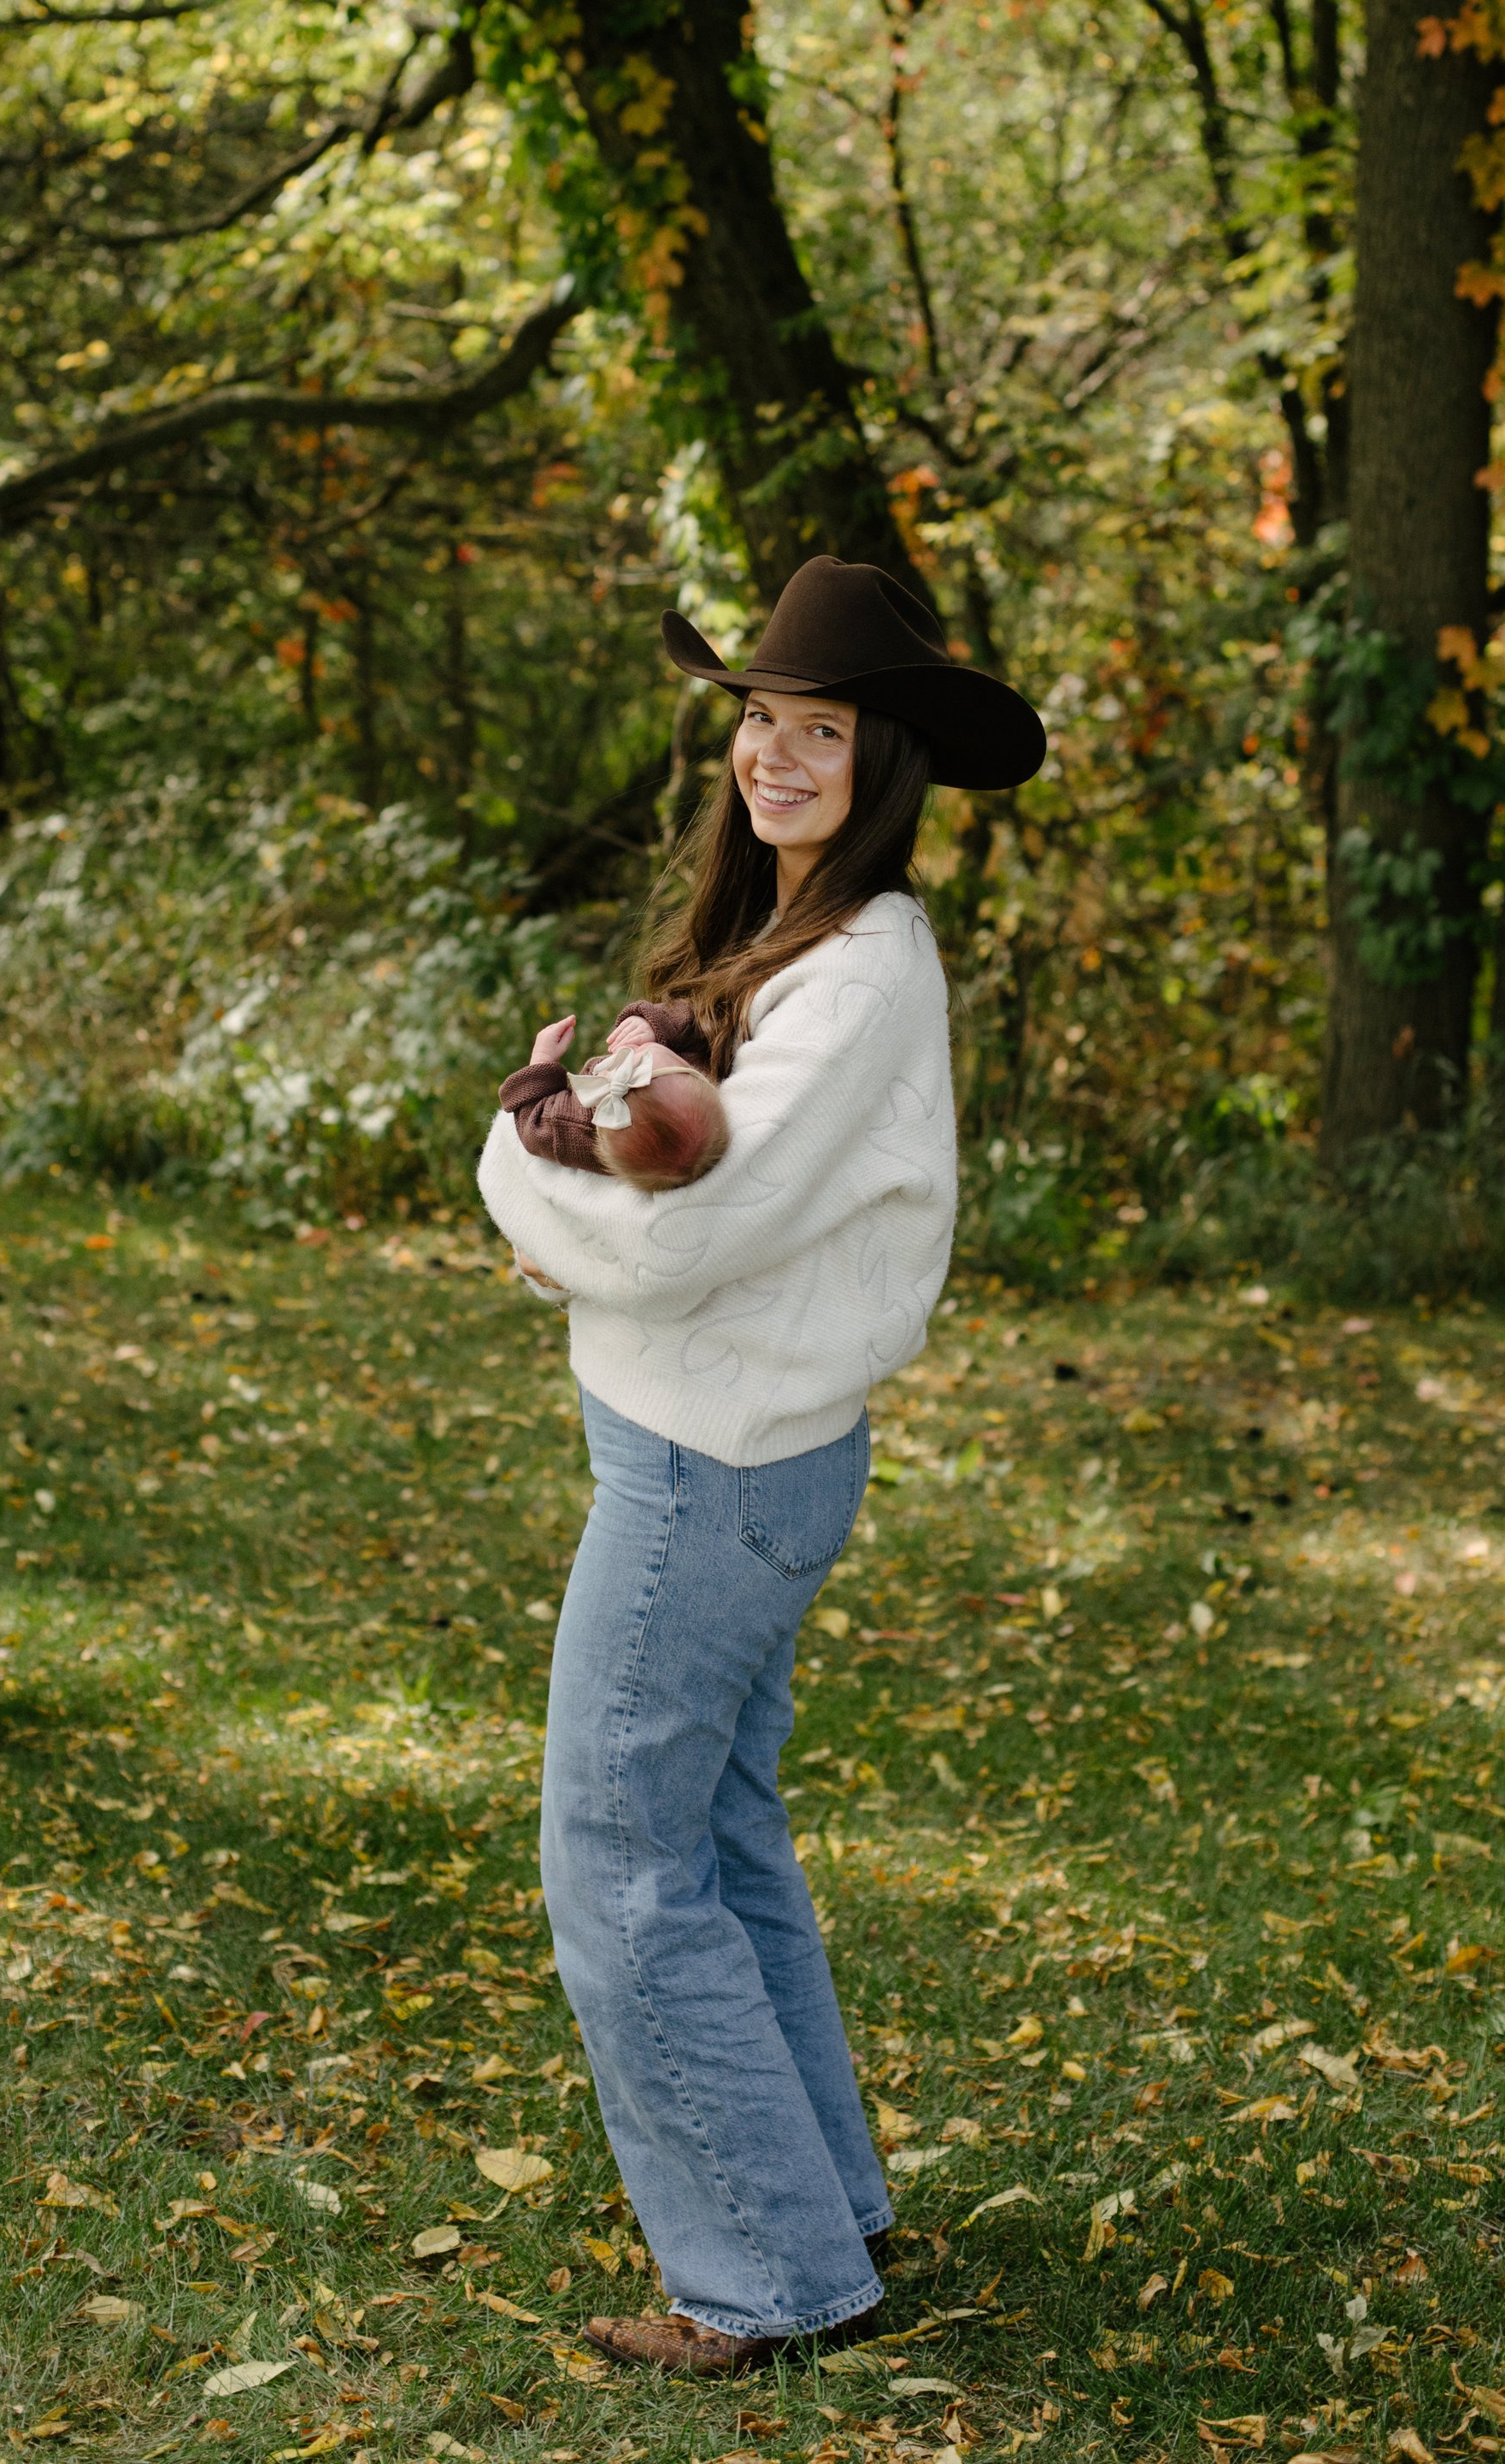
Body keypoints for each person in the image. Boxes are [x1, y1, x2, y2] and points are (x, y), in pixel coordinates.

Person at [476, 555, 1046, 2373]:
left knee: (615, 1860)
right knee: (710, 1834)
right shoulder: (780, 939)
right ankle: (823, 2209)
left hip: (710, 1471)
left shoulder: (863, 965)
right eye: (758, 720)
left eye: (821, 730)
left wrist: (517, 1170)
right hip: (706, 1447)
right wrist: (583, 1191)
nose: (776, 757)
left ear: (882, 762)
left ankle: (764, 2280)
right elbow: (660, 1197)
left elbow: (660, 1246)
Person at [497, 998, 729, 1188]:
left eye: (631, 1059)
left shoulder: (580, 1126)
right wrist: (655, 1024)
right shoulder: (700, 1060)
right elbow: (698, 1018)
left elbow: (534, 1123)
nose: (628, 1050)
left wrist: (542, 1058)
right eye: (643, 1054)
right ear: (696, 1073)